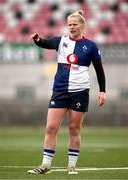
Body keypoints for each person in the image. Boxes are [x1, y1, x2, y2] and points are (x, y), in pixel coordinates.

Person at [27, 10, 106, 175]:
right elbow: (45, 43)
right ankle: (45, 165)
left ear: (82, 26)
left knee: (74, 129)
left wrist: (102, 91)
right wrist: (37, 39)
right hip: (60, 90)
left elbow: (99, 70)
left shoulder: (91, 46)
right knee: (50, 127)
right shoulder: (60, 41)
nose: (71, 27)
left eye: (74, 24)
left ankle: (71, 166)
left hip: (80, 91)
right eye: (69, 24)